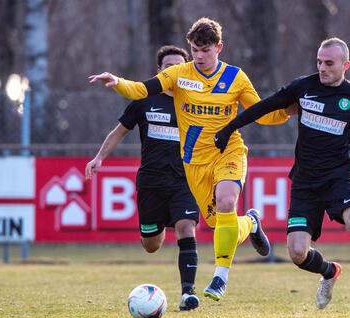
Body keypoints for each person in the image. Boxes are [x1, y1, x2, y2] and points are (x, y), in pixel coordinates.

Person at [89, 17, 296, 301]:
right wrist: (118, 82)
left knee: (226, 201)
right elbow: (142, 90)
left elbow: (263, 113)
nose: (199, 56)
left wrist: (289, 110)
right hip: (194, 164)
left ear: (219, 48)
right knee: (221, 225)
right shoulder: (179, 74)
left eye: (205, 50)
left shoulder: (236, 77)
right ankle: (251, 223)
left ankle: (219, 279)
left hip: (229, 152)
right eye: (195, 50)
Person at [214, 37, 350, 312]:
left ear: (345, 65)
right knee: (297, 253)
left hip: (338, 177)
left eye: (329, 63)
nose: (322, 68)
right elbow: (264, 106)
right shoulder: (303, 87)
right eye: (319, 62)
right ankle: (329, 271)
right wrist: (229, 128)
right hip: (305, 182)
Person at [85, 45, 201, 311]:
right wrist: (99, 157)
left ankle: (188, 294)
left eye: (179, 67)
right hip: (151, 182)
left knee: (186, 227)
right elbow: (118, 132)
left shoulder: (198, 101)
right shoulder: (144, 100)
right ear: (159, 72)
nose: (174, 71)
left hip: (185, 180)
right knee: (151, 245)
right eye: (168, 67)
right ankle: (156, 232)